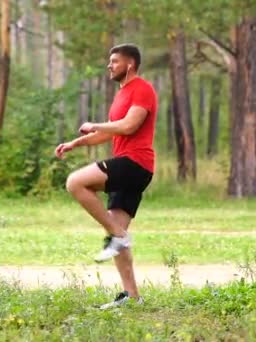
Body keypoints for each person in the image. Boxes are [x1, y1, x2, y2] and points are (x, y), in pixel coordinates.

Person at [55, 44, 158, 309]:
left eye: (114, 61)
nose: (109, 66)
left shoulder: (142, 89)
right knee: (116, 230)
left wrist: (95, 124)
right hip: (131, 166)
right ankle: (131, 296)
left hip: (134, 163)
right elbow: (111, 133)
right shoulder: (122, 94)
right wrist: (74, 144)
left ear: (130, 64)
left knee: (75, 182)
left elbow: (129, 126)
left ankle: (117, 235)